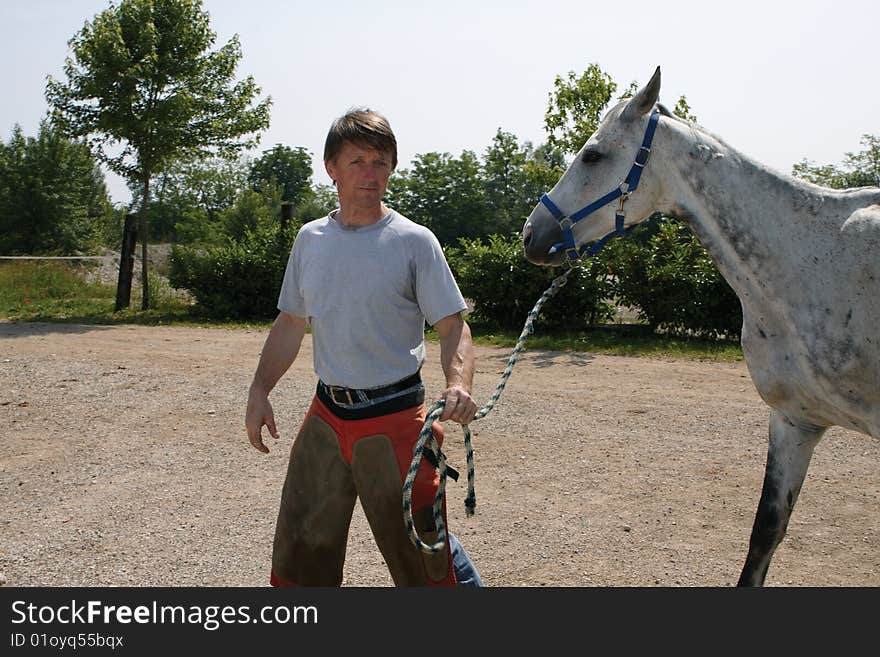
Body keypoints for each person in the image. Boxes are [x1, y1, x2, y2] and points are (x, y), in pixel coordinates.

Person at [245, 108, 483, 587]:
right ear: (331, 168)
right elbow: (291, 322)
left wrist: (459, 383)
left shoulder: (414, 242)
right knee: (300, 554)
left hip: (396, 419)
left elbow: (452, 326)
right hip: (327, 418)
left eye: (381, 161)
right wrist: (259, 389)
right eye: (358, 161)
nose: (371, 174)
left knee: (424, 556)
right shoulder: (310, 240)